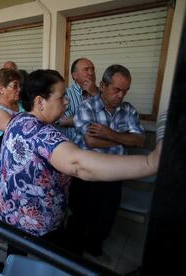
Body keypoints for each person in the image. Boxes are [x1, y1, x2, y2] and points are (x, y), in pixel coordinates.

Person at [0, 69, 161, 257]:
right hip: (36, 220)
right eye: (61, 96)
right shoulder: (43, 133)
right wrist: (149, 163)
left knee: (17, 255)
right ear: (40, 101)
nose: (66, 101)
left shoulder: (17, 120)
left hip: (10, 212)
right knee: (60, 258)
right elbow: (78, 165)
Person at [68, 64, 145, 257]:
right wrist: (123, 138)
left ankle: (94, 246)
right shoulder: (87, 107)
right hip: (87, 172)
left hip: (115, 174)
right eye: (116, 90)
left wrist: (109, 133)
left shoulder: (129, 111)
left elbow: (139, 140)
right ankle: (73, 253)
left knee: (106, 215)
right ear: (102, 85)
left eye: (125, 91)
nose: (120, 96)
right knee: (81, 214)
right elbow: (90, 140)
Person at [0, 68, 24, 198]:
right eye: (15, 86)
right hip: (3, 168)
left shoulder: (19, 104)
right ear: (1, 88)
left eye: (20, 85)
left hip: (19, 165)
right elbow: (22, 133)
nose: (19, 89)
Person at [57, 58, 98, 141]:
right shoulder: (65, 94)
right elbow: (61, 121)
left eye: (92, 69)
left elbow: (110, 117)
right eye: (86, 70)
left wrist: (95, 94)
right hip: (72, 148)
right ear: (75, 75)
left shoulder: (101, 93)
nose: (91, 73)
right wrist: (96, 120)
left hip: (98, 148)